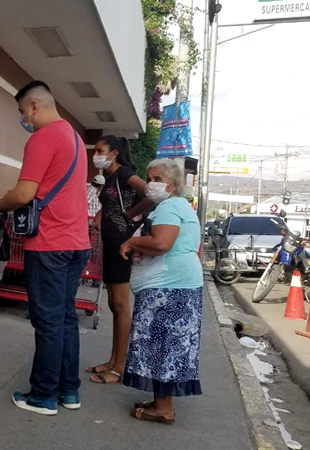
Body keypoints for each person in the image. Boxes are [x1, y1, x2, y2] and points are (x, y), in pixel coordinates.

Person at [0, 80, 89, 416]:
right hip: (76, 243)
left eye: (23, 112)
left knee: (49, 322)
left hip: (50, 244)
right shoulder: (76, 139)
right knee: (66, 319)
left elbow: (24, 194)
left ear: (34, 106)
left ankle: (43, 396)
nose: (24, 120)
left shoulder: (44, 137)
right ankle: (69, 392)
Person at [119, 158, 204, 424]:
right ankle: (160, 402)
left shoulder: (169, 207)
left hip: (170, 287)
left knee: (163, 344)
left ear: (174, 185)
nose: (151, 184)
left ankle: (163, 408)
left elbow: (161, 242)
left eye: (157, 180)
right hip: (178, 284)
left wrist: (132, 242)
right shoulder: (178, 206)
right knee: (169, 344)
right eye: (150, 178)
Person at [86, 135, 151, 384]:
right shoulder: (111, 176)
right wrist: (102, 213)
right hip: (111, 244)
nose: (96, 154)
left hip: (122, 244)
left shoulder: (123, 173)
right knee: (114, 304)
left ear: (113, 153)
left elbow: (149, 193)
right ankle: (112, 361)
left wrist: (132, 214)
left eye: (100, 150)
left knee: (121, 305)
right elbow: (113, 201)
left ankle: (119, 367)